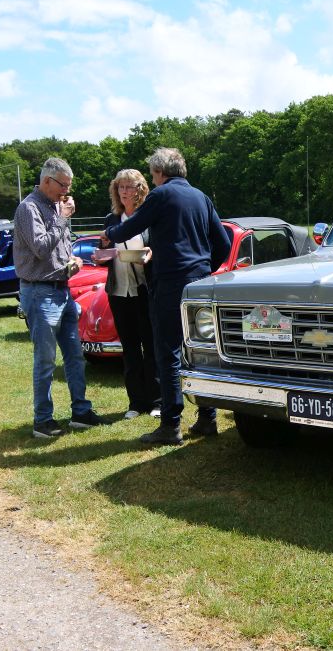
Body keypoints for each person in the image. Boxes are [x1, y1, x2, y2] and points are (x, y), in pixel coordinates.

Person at [101, 147, 231, 446]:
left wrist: (110, 230)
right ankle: (207, 417)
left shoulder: (160, 195)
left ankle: (170, 425)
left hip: (171, 284)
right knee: (200, 350)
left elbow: (126, 230)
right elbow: (222, 244)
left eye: (152, 173)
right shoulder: (201, 197)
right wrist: (201, 269)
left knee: (168, 352)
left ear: (159, 173)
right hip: (200, 283)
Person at [14, 157, 102, 438]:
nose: (66, 191)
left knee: (75, 356)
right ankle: (43, 420)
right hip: (39, 292)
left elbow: (59, 248)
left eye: (69, 186)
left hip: (62, 289)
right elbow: (40, 248)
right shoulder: (29, 208)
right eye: (63, 185)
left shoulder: (54, 205)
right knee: (46, 360)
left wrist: (72, 260)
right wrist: (62, 218)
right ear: (47, 181)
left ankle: (81, 412)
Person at [98, 168, 162, 421]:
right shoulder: (111, 220)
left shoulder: (149, 217)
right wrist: (101, 252)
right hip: (118, 291)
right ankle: (136, 402)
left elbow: (157, 248)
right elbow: (104, 251)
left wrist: (150, 254)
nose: (125, 191)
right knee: (130, 348)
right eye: (121, 187)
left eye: (130, 186)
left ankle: (157, 400)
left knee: (152, 346)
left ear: (140, 189)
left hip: (145, 290)